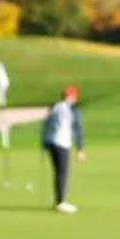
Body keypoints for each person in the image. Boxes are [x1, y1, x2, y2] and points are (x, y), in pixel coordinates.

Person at [40, 83, 85, 213]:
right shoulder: (71, 109)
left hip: (51, 143)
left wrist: (44, 143)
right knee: (62, 172)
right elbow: (77, 128)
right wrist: (80, 148)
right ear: (71, 97)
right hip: (61, 143)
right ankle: (60, 202)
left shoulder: (55, 107)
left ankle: (59, 201)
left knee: (58, 172)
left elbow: (46, 125)